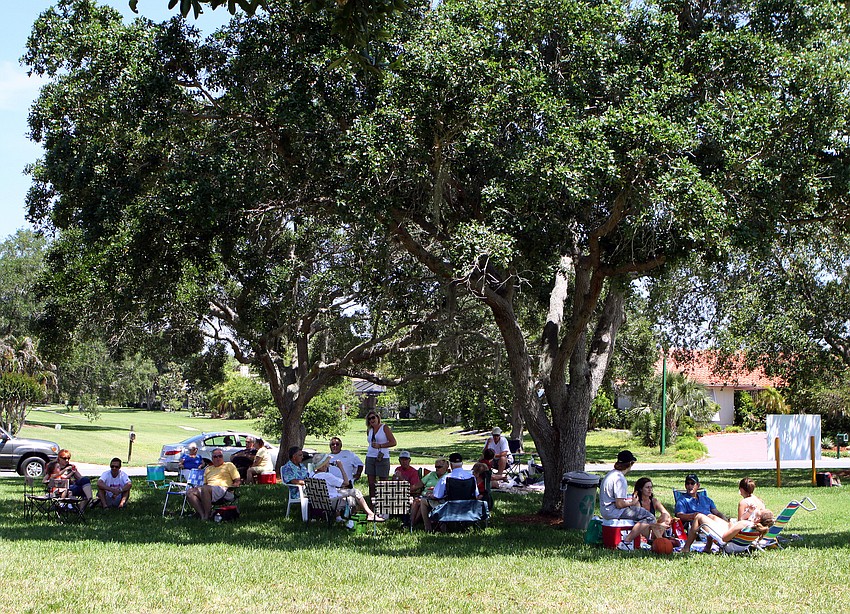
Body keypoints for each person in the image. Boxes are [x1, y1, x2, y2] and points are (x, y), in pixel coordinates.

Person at [599, 450, 656, 550]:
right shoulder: (620, 479)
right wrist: (632, 502)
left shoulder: (610, 475)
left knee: (639, 511)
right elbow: (619, 504)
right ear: (630, 463)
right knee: (650, 517)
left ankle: (645, 540)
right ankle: (626, 541)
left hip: (605, 510)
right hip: (614, 511)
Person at [310, 453, 384, 522]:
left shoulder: (312, 475)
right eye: (327, 462)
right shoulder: (327, 476)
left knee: (344, 491)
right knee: (355, 493)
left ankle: (339, 517)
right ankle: (369, 514)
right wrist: (341, 467)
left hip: (318, 503)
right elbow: (346, 483)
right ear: (323, 465)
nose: (329, 464)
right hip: (331, 503)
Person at [424, 452, 478, 532]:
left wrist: (429, 495)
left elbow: (437, 496)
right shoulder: (471, 477)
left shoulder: (446, 478)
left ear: (450, 465)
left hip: (450, 508)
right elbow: (476, 494)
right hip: (467, 507)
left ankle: (428, 528)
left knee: (423, 501)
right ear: (462, 463)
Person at [681, 508, 775, 553]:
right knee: (711, 516)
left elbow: (725, 538)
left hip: (728, 544)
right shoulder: (759, 528)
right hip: (739, 545)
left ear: (758, 518)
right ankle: (707, 548)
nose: (761, 509)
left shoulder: (744, 524)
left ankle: (686, 548)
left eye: (761, 510)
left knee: (699, 517)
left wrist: (731, 525)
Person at [186, 448, 241, 520]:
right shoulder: (208, 469)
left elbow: (237, 479)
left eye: (220, 456)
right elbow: (205, 483)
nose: (218, 458)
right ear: (212, 458)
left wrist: (235, 486)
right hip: (208, 490)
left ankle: (207, 515)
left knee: (205, 488)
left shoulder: (229, 465)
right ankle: (202, 514)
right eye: (215, 457)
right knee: (190, 492)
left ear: (222, 457)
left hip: (224, 490)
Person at [621, 477, 672, 545]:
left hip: (654, 530)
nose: (650, 490)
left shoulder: (654, 501)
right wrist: (658, 525)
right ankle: (659, 542)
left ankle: (657, 541)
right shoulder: (637, 502)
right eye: (647, 487)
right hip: (642, 530)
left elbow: (666, 513)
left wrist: (666, 520)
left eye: (651, 487)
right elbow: (639, 521)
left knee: (665, 516)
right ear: (641, 489)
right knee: (648, 524)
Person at [365, 411, 396, 498]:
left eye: (373, 417)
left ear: (377, 417)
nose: (372, 420)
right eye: (369, 419)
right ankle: (372, 504)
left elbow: (393, 442)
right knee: (371, 483)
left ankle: (383, 503)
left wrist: (380, 445)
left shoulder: (384, 427)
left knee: (383, 483)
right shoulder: (369, 430)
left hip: (382, 457)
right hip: (370, 456)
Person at [410, 458, 448, 528]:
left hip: (436, 499)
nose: (437, 469)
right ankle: (411, 524)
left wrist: (434, 490)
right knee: (416, 501)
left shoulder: (447, 477)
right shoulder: (431, 474)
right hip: (424, 496)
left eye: (439, 467)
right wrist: (405, 489)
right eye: (436, 467)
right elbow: (417, 486)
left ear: (446, 467)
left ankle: (412, 525)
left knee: (420, 501)